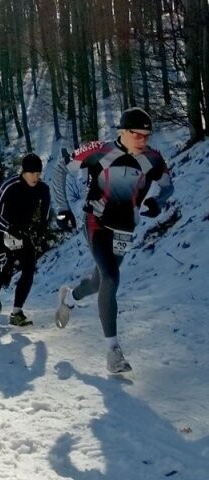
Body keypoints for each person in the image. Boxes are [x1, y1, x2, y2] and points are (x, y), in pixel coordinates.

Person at [52, 107, 174, 373]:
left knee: (99, 281)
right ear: (122, 132)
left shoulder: (153, 159)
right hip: (95, 222)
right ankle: (113, 352)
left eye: (147, 135)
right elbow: (61, 169)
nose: (143, 140)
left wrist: (156, 202)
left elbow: (168, 186)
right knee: (110, 278)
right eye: (137, 134)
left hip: (125, 229)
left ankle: (70, 298)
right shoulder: (100, 151)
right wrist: (62, 209)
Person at [0, 154, 50, 327]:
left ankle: (16, 312)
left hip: (22, 234)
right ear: (24, 172)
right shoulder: (10, 185)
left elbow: (45, 214)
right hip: (1, 233)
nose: (35, 177)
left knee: (29, 269)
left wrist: (41, 234)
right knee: (0, 274)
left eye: (38, 173)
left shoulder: (42, 189)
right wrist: (7, 226)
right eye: (32, 174)